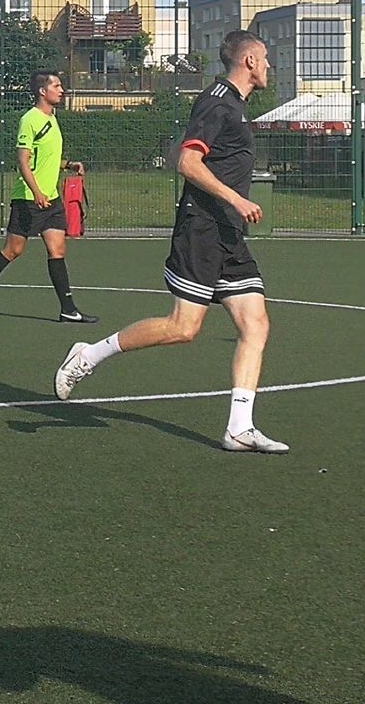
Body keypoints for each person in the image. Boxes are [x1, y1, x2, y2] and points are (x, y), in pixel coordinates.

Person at [53, 30, 290, 454]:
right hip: (202, 230)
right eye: (266, 58)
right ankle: (89, 355)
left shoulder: (236, 105)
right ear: (250, 61)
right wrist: (237, 199)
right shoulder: (217, 102)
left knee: (256, 324)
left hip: (229, 234)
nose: (270, 65)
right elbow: (187, 162)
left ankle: (239, 428)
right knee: (183, 328)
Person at [0, 71, 96, 325]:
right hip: (28, 200)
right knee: (13, 250)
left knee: (57, 250)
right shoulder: (30, 119)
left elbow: (46, 158)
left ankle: (68, 310)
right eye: (57, 86)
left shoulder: (52, 118)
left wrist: (68, 164)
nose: (62, 90)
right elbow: (23, 161)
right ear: (43, 91)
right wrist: (36, 192)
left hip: (51, 200)